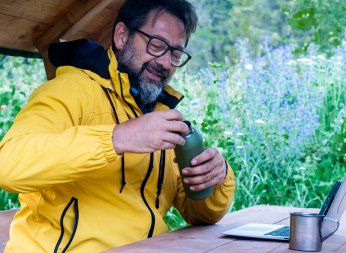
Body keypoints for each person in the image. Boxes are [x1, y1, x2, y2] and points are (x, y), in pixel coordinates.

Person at [0, 0, 235, 252]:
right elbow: (8, 165)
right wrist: (117, 138)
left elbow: (198, 215)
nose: (166, 63)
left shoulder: (161, 115)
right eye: (157, 45)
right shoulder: (70, 89)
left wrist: (214, 179)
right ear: (122, 36)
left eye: (176, 54)